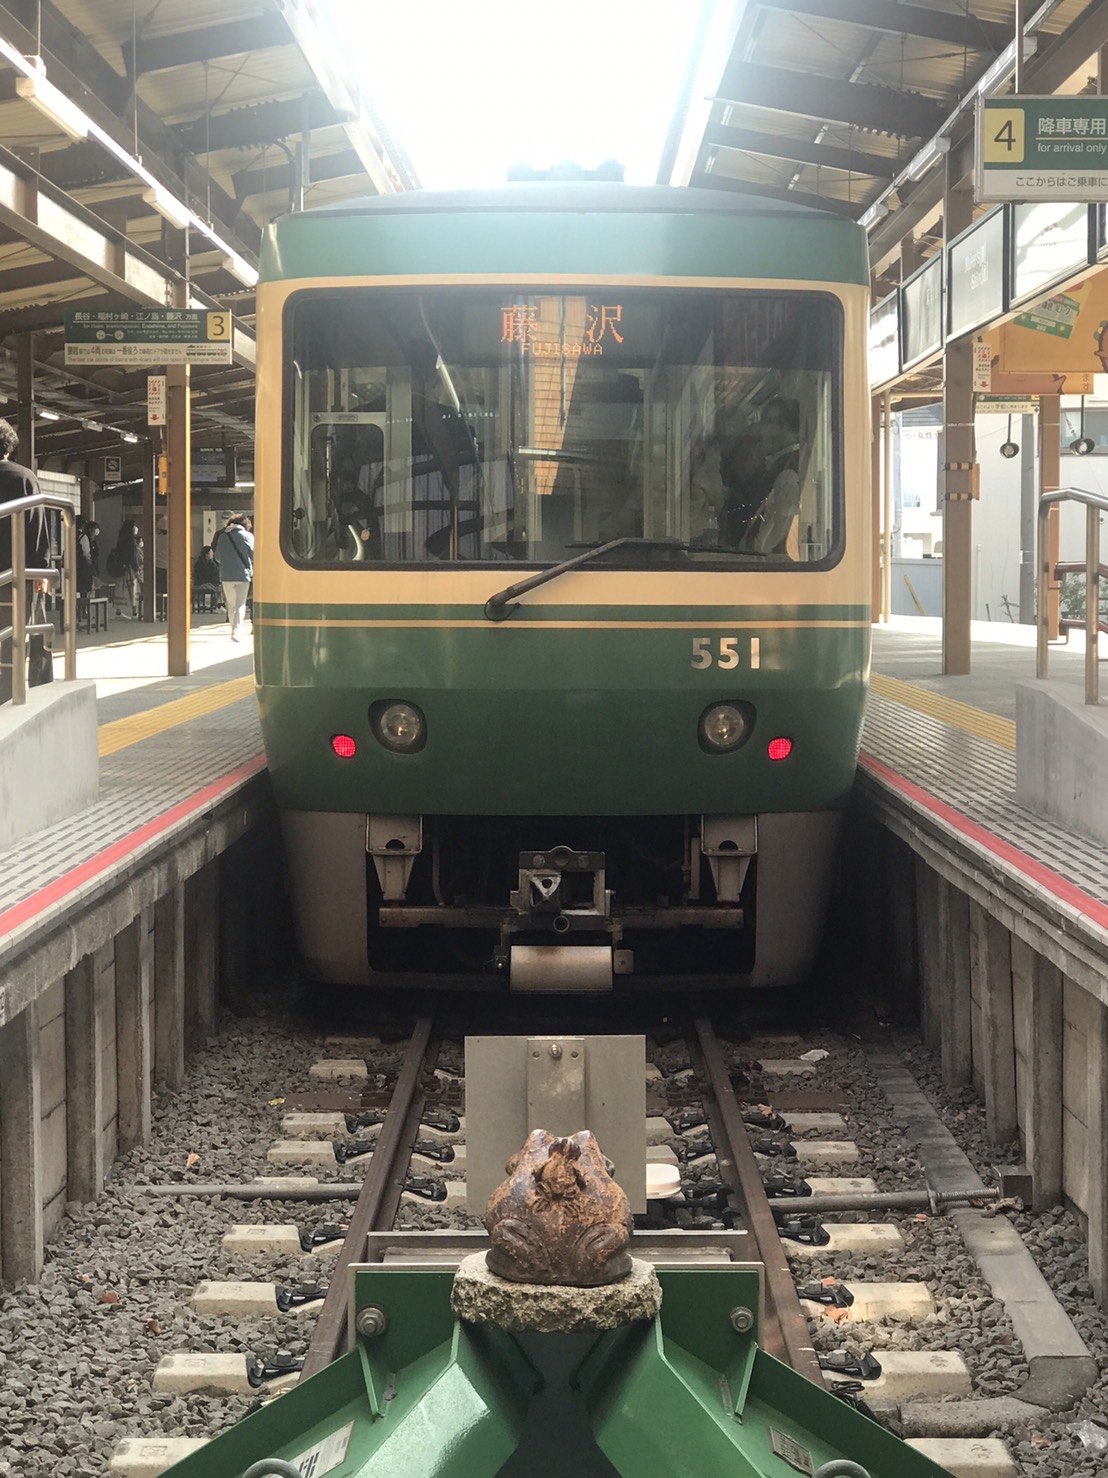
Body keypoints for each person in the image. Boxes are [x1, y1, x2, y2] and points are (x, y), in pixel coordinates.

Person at [0, 417, 51, 701]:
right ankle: (10, 694)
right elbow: (37, 528)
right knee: (15, 635)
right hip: (16, 574)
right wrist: (41, 570)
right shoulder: (24, 477)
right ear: (9, 445)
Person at [738, 396, 802, 557]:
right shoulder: (780, 465)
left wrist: (760, 553)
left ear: (787, 428)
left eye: (770, 423)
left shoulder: (787, 474)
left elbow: (780, 534)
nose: (763, 431)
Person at [213, 514, 254, 641]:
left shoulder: (223, 536)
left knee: (231, 604)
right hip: (243, 574)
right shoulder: (248, 536)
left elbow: (217, 557)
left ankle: (233, 629)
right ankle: (236, 631)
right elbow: (253, 555)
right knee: (240, 604)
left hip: (226, 575)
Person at [108, 520, 143, 617]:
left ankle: (118, 609)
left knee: (120, 588)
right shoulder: (131, 540)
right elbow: (133, 556)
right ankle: (134, 610)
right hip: (129, 569)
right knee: (132, 589)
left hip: (121, 568)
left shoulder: (121, 538)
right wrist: (136, 568)